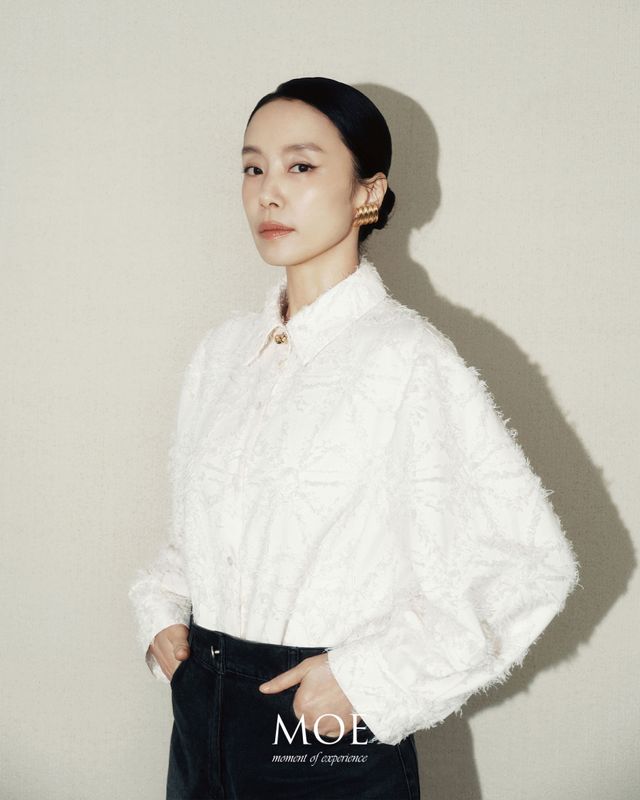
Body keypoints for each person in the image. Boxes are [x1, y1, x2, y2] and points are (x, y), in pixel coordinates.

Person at [128, 76, 580, 800]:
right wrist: (162, 615)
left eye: (301, 166)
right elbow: (199, 535)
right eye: (253, 168)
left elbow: (528, 565)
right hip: (199, 723)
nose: (269, 193)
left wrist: (371, 680)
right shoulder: (222, 355)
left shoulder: (409, 361)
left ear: (368, 193)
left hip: (320, 738)